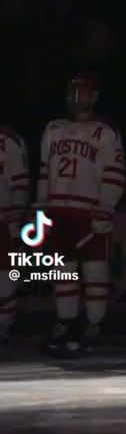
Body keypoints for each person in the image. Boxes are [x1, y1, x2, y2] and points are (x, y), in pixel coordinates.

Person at [37, 72, 125, 355]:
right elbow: (43, 173)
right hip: (59, 210)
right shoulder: (53, 129)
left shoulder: (105, 131)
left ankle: (94, 324)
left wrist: (105, 207)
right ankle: (66, 322)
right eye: (73, 92)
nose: (78, 99)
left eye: (83, 93)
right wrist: (41, 212)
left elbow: (115, 172)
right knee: (63, 271)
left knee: (95, 270)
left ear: (95, 96)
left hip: (89, 211)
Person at [0, 126, 29, 351]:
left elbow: (20, 184)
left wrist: (16, 218)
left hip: (4, 220)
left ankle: (3, 329)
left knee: (6, 279)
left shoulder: (9, 140)